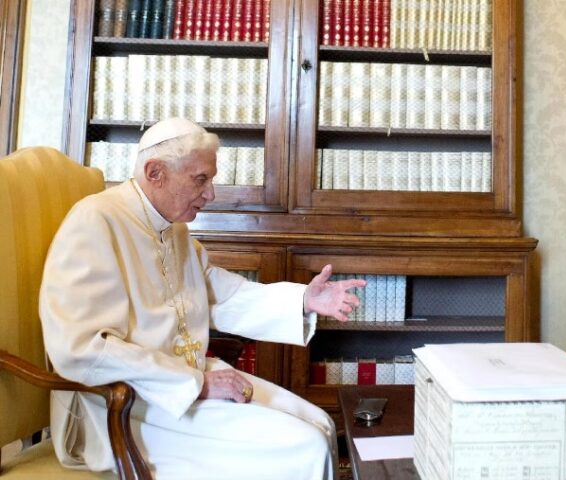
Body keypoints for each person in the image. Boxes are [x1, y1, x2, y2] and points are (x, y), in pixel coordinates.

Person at [39, 117, 366, 479]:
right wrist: (196, 384)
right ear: (155, 172)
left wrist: (304, 300)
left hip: (182, 385)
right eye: (201, 179)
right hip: (126, 403)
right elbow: (79, 349)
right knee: (305, 446)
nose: (211, 193)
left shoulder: (171, 227)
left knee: (320, 424)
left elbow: (216, 295)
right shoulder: (95, 221)